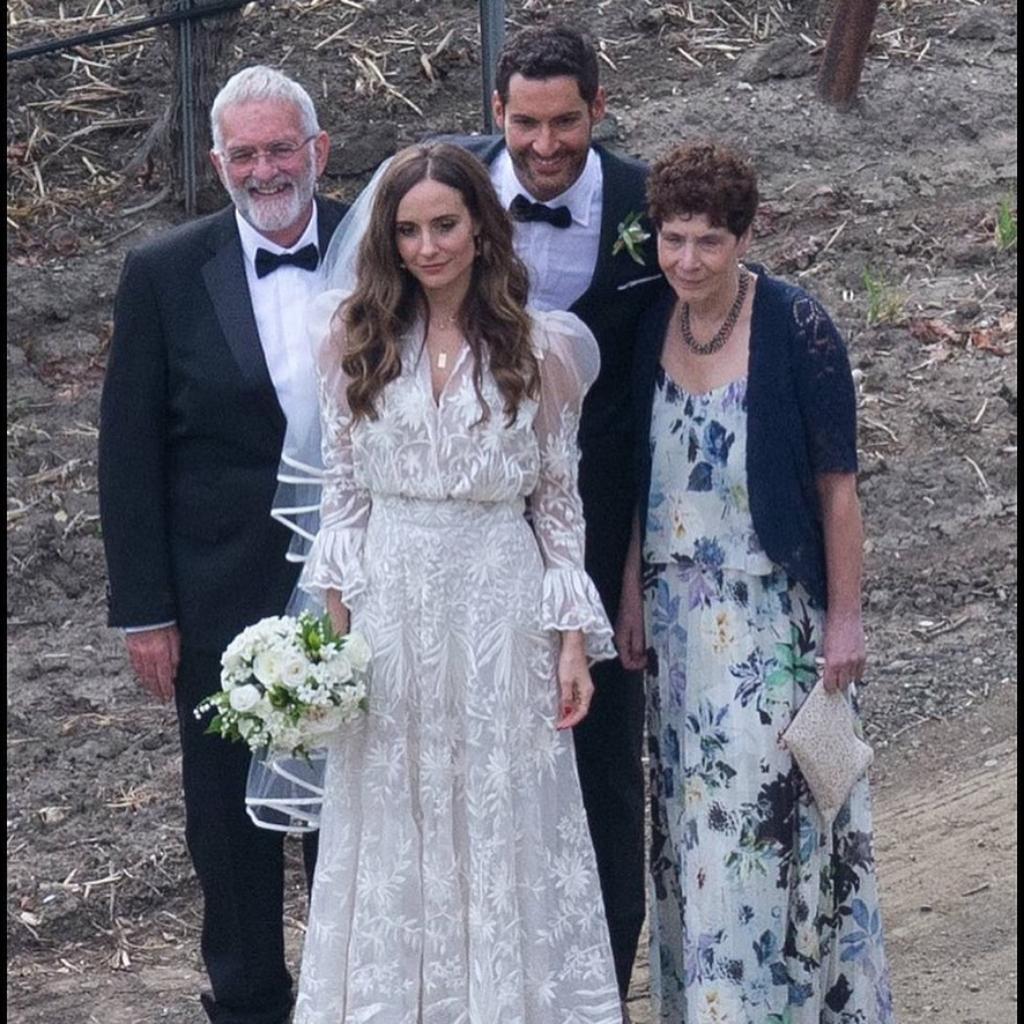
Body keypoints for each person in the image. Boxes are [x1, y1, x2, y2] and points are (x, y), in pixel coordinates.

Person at [292, 142, 623, 1022]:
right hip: (391, 607)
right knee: (393, 816)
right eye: (408, 231)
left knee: (501, 812)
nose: (427, 247)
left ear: (481, 225)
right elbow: (343, 498)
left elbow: (559, 508)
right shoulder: (351, 339)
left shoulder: (541, 348)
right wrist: (333, 647)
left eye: (444, 224)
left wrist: (571, 650)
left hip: (497, 602)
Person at [615, 141, 894, 1021]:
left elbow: (838, 493)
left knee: (762, 835)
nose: (687, 261)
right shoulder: (643, 324)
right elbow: (629, 478)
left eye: (707, 242)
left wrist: (844, 622)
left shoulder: (797, 327)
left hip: (772, 626)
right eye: (672, 240)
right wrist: (627, 592)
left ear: (744, 236)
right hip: (673, 627)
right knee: (694, 834)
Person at [97, 66, 348, 1024]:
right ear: (217, 163)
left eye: (282, 147)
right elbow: (128, 455)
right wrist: (147, 611)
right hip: (216, 593)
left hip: (354, 587)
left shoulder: (383, 247)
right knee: (228, 818)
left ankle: (346, 992)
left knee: (351, 804)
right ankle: (248, 1001)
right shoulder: (163, 272)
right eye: (243, 153)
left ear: (318, 151)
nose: (264, 168)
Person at [445, 25, 661, 1002]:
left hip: (603, 525)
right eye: (524, 122)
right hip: (465, 534)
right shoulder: (442, 198)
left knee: (604, 770)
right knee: (475, 767)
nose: (543, 144)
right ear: (497, 114)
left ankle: (601, 989)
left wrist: (633, 570)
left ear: (598, 109)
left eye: (565, 122)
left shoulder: (646, 204)